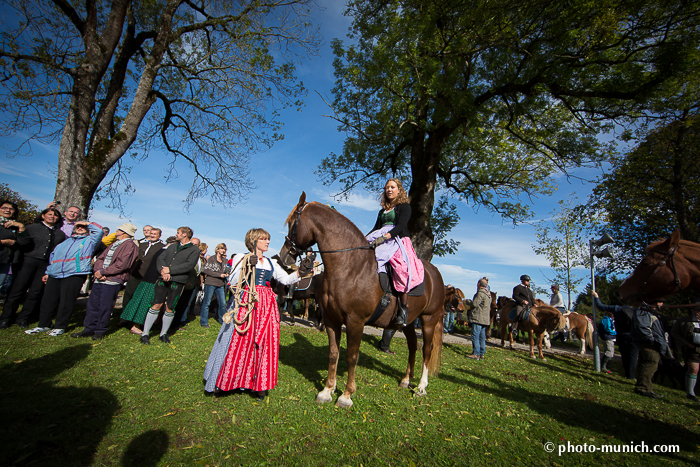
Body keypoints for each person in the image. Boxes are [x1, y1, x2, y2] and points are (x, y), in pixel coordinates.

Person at [203, 228, 311, 400]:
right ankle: (226, 381)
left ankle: (258, 385)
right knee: (238, 340)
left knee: (263, 343)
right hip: (246, 302)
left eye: (268, 239)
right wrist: (246, 266)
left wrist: (301, 272)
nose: (268, 242)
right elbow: (231, 280)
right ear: (253, 240)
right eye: (264, 239)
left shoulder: (271, 263)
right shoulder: (240, 257)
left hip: (266, 306)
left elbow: (285, 279)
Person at [25, 221, 104, 336]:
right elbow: (53, 257)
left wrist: (87, 223)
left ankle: (60, 326)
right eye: (78, 227)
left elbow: (99, 231)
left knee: (66, 302)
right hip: (55, 274)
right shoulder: (64, 242)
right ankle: (43, 324)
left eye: (83, 227)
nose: (80, 228)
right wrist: (48, 272)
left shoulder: (90, 241)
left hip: (74, 274)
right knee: (47, 301)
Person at [0, 206, 65, 329]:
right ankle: (5, 318)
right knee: (17, 290)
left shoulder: (60, 234)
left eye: (55, 215)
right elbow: (22, 243)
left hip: (45, 264)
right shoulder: (31, 228)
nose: (52, 217)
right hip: (28, 261)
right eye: (49, 214)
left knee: (35, 292)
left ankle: (23, 318)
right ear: (43, 216)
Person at [71, 223, 139, 340]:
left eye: (118, 229)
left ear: (124, 232)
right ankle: (89, 328)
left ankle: (100, 330)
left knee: (105, 306)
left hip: (112, 280)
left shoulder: (130, 246)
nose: (116, 230)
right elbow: (100, 258)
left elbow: (122, 265)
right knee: (93, 304)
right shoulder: (114, 244)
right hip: (100, 277)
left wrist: (104, 272)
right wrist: (98, 271)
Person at [365, 178, 416, 327]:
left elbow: (401, 226)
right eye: (387, 187)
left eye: (393, 187)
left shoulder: (405, 207)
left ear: (399, 190)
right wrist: (362, 239)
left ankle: (403, 309)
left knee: (400, 268)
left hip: (397, 239)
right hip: (380, 236)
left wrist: (384, 238)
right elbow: (375, 228)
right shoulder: (382, 211)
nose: (389, 190)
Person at [139, 227, 200, 344]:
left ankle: (163, 333)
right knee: (156, 304)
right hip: (162, 279)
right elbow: (161, 258)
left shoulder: (193, 250)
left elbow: (189, 265)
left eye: (178, 233)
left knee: (170, 307)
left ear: (185, 235)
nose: (176, 234)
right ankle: (145, 333)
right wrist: (163, 271)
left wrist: (170, 270)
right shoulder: (172, 246)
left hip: (178, 281)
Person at [120, 235, 176, 335]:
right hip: (152, 281)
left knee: (140, 301)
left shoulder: (161, 250)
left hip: (148, 280)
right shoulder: (165, 252)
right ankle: (136, 326)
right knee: (145, 303)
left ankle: (134, 323)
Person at [591, 290, 638, 380]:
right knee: (633, 356)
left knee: (624, 355)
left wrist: (596, 297)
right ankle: (631, 375)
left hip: (621, 335)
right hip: (633, 335)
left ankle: (627, 373)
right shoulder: (635, 310)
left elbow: (601, 306)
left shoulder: (617, 308)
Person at [121, 227, 164, 311]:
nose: (152, 235)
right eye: (151, 233)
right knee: (128, 294)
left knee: (140, 297)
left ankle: (135, 318)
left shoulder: (162, 247)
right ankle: (123, 316)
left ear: (159, 236)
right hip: (135, 273)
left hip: (148, 276)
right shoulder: (142, 244)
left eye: (155, 234)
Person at [632, 299, 667, 398]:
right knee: (649, 365)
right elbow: (643, 327)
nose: (662, 304)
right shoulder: (643, 311)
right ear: (656, 302)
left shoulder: (649, 311)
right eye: (661, 301)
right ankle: (643, 388)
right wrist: (651, 340)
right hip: (649, 344)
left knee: (647, 365)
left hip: (651, 343)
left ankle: (647, 388)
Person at [670, 304, 700, 403]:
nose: (697, 312)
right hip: (692, 348)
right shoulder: (684, 320)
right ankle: (690, 393)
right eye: (695, 310)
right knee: (693, 369)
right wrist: (686, 344)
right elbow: (674, 333)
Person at [200, 243, 230, 328]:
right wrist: (219, 275)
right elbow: (206, 270)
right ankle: (204, 322)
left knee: (222, 303)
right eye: (221, 249)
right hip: (211, 282)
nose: (223, 250)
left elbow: (226, 270)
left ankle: (222, 320)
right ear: (217, 249)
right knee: (207, 302)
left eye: (224, 249)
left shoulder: (225, 261)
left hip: (220, 283)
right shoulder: (211, 259)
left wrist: (227, 274)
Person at [0, 200, 22, 296]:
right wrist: (4, 242)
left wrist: (21, 226)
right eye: (4, 208)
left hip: (5, 260)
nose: (7, 210)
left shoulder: (14, 226)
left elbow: (24, 241)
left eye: (11, 209)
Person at [469, 278, 491, 360]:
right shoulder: (488, 294)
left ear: (478, 284)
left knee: (475, 336)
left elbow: (475, 304)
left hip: (478, 318)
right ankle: (482, 354)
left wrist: (468, 302)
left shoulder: (480, 293)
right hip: (485, 319)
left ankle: (475, 353)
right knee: (482, 337)